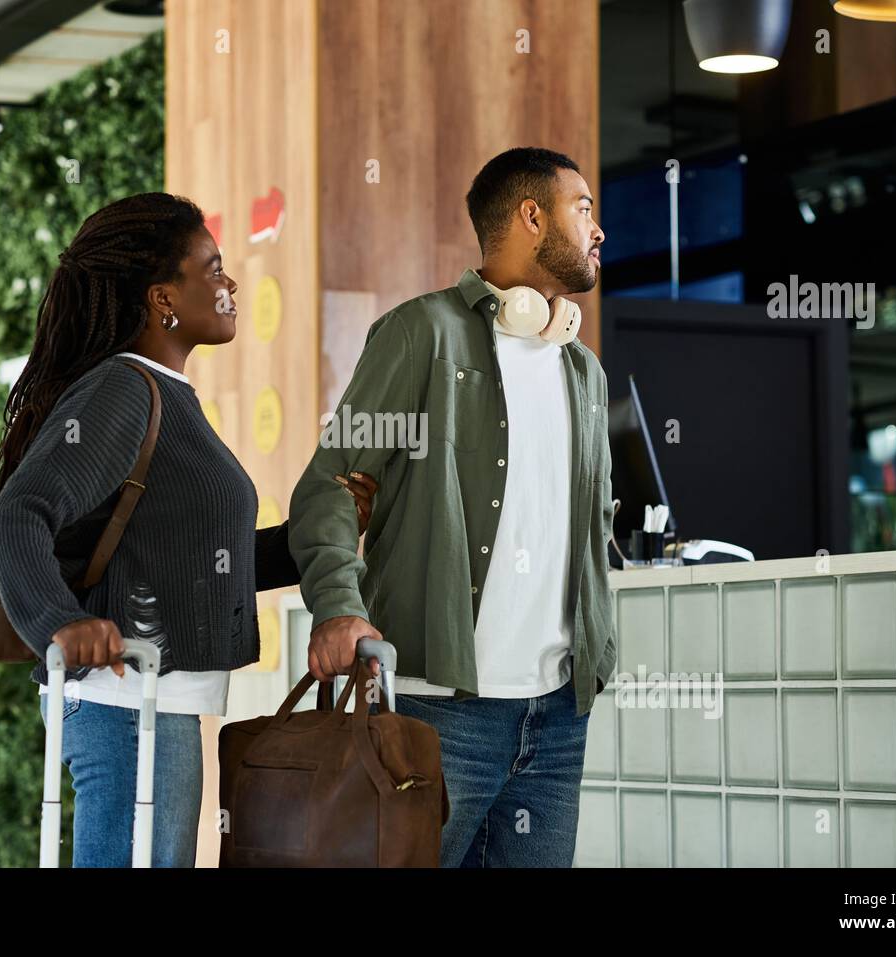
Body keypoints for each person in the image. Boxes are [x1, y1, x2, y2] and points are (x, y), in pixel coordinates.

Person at [0, 192, 375, 867]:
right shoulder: (123, 391)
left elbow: (200, 562)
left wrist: (315, 537)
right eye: (212, 269)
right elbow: (17, 514)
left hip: (153, 708)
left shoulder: (163, 393)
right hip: (126, 706)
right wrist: (57, 622)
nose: (230, 282)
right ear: (163, 298)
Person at [288, 147, 616, 867]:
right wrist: (340, 603)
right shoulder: (422, 336)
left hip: (558, 718)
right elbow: (332, 483)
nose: (598, 230)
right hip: (440, 710)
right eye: (583, 209)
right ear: (532, 216)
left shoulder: (582, 370)